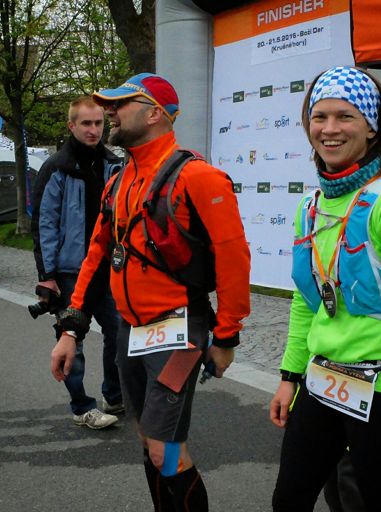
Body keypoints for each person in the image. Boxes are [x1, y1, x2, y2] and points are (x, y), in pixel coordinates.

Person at [49, 73, 251, 511]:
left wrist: (227, 336)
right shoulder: (120, 179)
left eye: (121, 104)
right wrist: (71, 327)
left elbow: (234, 259)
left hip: (180, 330)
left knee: (165, 448)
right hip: (132, 331)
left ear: (154, 113)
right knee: (148, 440)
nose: (110, 113)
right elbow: (96, 254)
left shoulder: (199, 177)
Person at [269, 66, 381, 511]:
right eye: (319, 116)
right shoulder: (310, 206)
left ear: (371, 127)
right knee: (289, 500)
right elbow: (307, 302)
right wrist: (289, 377)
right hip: (321, 380)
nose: (329, 129)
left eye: (345, 116)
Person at [31, 96, 124, 429]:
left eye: (98, 123)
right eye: (86, 123)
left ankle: (114, 394)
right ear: (71, 125)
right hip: (70, 271)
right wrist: (47, 276)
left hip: (107, 267)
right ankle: (82, 406)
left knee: (119, 332)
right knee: (73, 338)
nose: (93, 129)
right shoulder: (56, 167)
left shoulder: (115, 165)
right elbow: (44, 223)